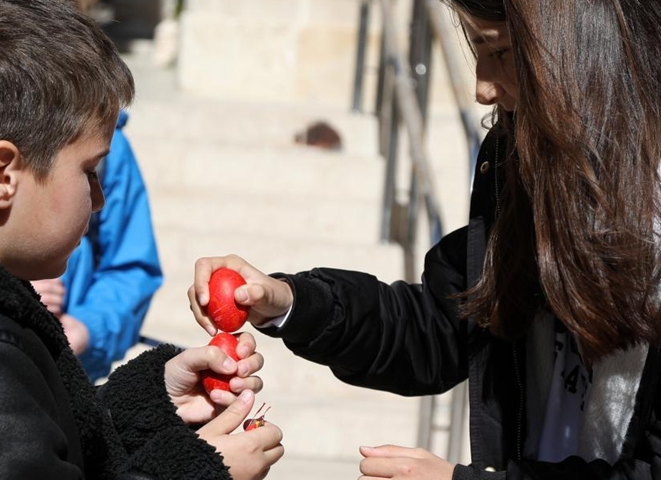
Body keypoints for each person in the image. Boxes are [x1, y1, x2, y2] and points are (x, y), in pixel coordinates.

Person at [189, 1, 661, 479]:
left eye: (498, 51)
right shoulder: (520, 170)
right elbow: (441, 324)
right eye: (476, 49)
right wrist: (290, 302)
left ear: (580, 52)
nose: (481, 88)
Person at [0, 0, 283, 479]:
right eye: (89, 171)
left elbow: (37, 441)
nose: (100, 198)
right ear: (2, 177)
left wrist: (148, 405)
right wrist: (198, 472)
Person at [32, 111, 164, 382]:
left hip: (66, 379)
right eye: (86, 172)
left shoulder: (110, 144)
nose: (98, 202)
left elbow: (131, 266)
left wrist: (87, 328)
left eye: (93, 171)